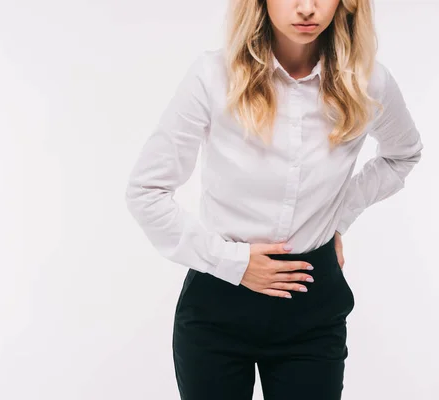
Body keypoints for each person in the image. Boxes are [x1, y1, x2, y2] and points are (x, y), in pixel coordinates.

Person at [124, 0, 423, 399]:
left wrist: (337, 216)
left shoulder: (368, 82)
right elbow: (146, 191)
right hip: (217, 304)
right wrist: (234, 263)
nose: (307, 8)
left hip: (312, 306)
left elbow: (402, 154)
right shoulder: (213, 76)